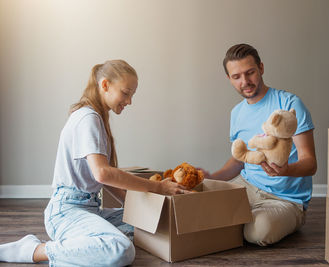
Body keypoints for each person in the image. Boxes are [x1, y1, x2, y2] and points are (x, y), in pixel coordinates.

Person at [0, 60, 190, 266]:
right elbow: (103, 174)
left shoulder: (97, 118)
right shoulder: (87, 118)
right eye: (126, 93)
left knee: (152, 224)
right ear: (105, 85)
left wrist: (133, 207)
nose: (129, 101)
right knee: (121, 250)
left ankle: (82, 247)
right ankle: (35, 250)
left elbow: (105, 180)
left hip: (89, 208)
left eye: (132, 95)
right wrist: (157, 187)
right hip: (66, 212)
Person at [198, 44, 317, 246]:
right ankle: (240, 216)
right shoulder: (236, 113)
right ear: (229, 79)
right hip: (246, 187)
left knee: (257, 232)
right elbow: (240, 160)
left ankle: (249, 219)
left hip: (284, 199)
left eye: (250, 72)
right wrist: (211, 177)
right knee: (195, 200)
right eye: (236, 77)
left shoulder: (289, 104)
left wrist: (286, 170)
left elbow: (310, 163)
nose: (245, 82)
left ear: (261, 68)